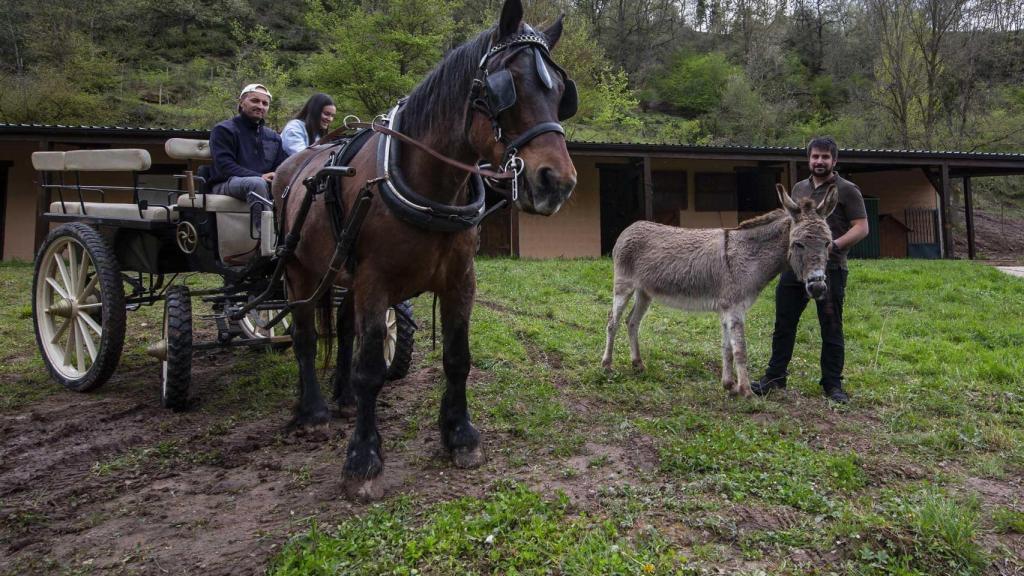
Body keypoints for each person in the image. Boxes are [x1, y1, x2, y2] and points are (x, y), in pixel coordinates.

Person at [752, 136, 869, 404]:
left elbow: (862, 227)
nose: (819, 161)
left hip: (831, 269)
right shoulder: (799, 188)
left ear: (834, 161)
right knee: (784, 323)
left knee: (831, 326)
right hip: (795, 269)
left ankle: (832, 385)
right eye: (815, 156)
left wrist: (833, 246)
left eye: (825, 157)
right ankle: (775, 377)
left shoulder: (848, 189)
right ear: (809, 159)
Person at [208, 83, 288, 229]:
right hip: (226, 182)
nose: (260, 106)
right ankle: (265, 239)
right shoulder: (223, 130)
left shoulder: (274, 137)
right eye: (255, 101)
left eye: (265, 103)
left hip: (261, 184)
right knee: (256, 183)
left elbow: (281, 167)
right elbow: (225, 167)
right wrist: (260, 176)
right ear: (241, 102)